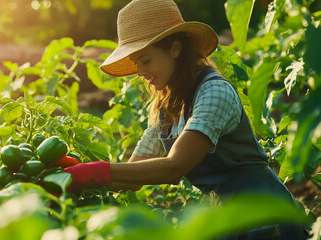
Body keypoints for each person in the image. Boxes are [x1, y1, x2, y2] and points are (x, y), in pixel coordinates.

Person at [64, 0, 309, 239]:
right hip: (227, 214)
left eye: (145, 60)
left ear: (175, 48)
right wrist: (67, 174)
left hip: (264, 213)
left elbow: (174, 167)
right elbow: (130, 177)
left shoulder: (214, 93)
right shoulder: (168, 105)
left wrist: (94, 173)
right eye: (137, 63)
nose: (139, 72)